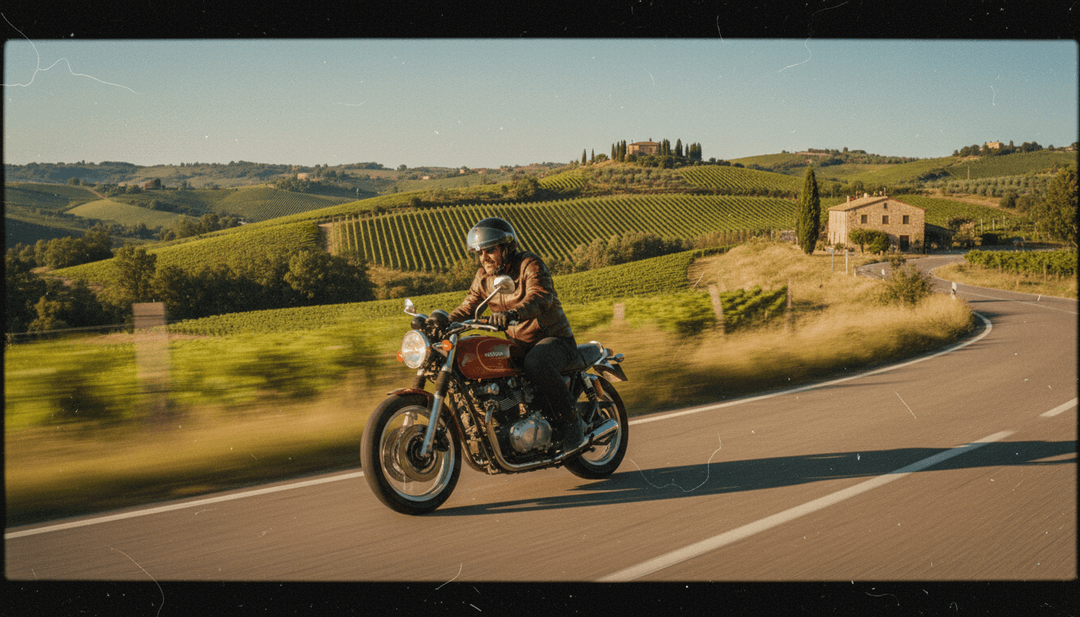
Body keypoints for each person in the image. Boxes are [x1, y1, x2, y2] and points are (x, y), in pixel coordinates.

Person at [447, 217, 585, 452]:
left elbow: (540, 296)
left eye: (490, 250)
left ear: (507, 247)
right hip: (518, 344)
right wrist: (444, 320)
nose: (484, 258)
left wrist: (513, 313)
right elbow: (469, 305)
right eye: (480, 253)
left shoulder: (529, 264)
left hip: (553, 340)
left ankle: (572, 423)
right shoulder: (483, 277)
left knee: (536, 362)